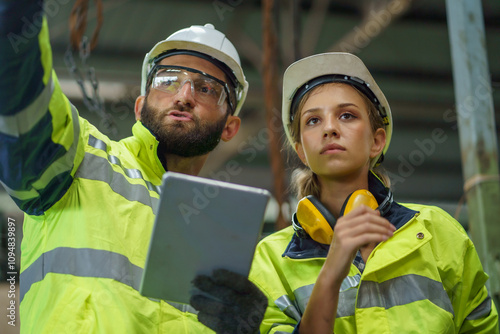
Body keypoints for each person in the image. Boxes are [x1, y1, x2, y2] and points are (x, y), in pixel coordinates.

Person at [0, 1, 266, 333]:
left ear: (230, 127)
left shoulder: (228, 250)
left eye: (207, 88)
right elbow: (19, 91)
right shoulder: (78, 159)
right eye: (168, 80)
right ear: (140, 107)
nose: (183, 95)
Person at [248, 52, 499, 333]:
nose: (329, 128)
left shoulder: (436, 231)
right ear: (301, 152)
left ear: (376, 142)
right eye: (313, 121)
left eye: (346, 115)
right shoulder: (270, 259)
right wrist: (331, 274)